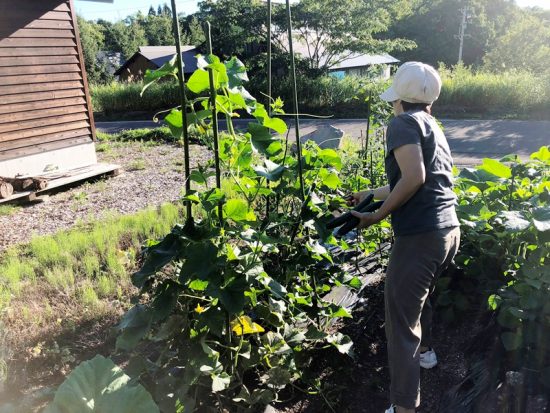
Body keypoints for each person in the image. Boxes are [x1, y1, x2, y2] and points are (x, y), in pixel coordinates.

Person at [349, 62, 461, 413]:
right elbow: (420, 177)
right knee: (419, 297)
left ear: (398, 99)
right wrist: (371, 193)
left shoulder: (401, 123)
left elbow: (413, 176)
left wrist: (376, 215)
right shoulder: (432, 126)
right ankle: (427, 354)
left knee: (400, 324)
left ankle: (404, 407)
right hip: (447, 231)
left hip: (420, 237)